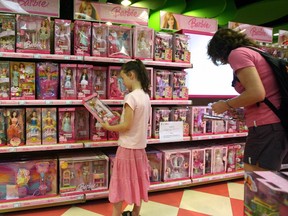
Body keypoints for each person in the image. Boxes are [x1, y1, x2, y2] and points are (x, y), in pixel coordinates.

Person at [207, 28, 288, 172]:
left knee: (258, 183)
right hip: (275, 126)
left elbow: (257, 93)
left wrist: (225, 105)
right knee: (266, 182)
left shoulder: (237, 54)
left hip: (265, 127)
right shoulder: (257, 52)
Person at [101, 59, 151, 216]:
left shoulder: (130, 97)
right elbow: (135, 120)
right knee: (138, 181)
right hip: (140, 149)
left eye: (123, 79)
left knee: (120, 183)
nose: (123, 83)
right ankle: (136, 213)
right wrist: (120, 116)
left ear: (132, 75)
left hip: (127, 148)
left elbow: (126, 126)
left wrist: (108, 127)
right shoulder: (145, 96)